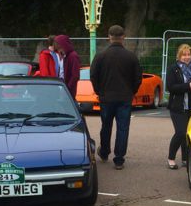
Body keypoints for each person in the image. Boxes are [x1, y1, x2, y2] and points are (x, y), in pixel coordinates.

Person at [90, 25, 142, 170]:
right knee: (123, 128)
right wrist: (132, 91)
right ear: (123, 37)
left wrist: (99, 91)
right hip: (125, 97)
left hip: (106, 97)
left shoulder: (100, 56)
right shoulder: (131, 56)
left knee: (106, 126)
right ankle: (119, 159)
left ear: (109, 37)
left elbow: (93, 76)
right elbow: (138, 78)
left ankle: (105, 151)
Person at [166, 44, 191, 170]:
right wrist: (188, 87)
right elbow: (171, 87)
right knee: (181, 132)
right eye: (184, 54)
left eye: (188, 54)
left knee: (188, 134)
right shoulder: (173, 69)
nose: (187, 57)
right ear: (179, 56)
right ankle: (171, 158)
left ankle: (185, 158)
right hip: (178, 107)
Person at [54, 34, 81, 100]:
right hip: (63, 88)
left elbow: (75, 75)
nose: (59, 50)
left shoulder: (73, 56)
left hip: (68, 91)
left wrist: (67, 88)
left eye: (59, 48)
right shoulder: (65, 56)